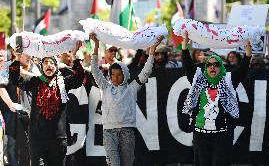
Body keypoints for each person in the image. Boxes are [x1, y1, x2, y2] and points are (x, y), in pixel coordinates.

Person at [90, 32, 162, 166]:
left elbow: (145, 72)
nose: (115, 78)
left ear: (126, 75)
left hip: (127, 132)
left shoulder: (132, 88)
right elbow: (94, 70)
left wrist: (151, 53)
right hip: (109, 133)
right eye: (112, 75)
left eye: (119, 75)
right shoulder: (105, 87)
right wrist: (96, 47)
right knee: (114, 164)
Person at [8, 42, 84, 166]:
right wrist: (17, 57)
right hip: (37, 138)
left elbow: (79, 78)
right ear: (41, 66)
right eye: (45, 62)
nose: (49, 65)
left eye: (52, 62)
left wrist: (74, 55)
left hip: (58, 139)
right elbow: (15, 79)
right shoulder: (35, 82)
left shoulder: (63, 83)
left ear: (56, 67)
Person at [181, 33, 252, 166]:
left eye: (216, 64)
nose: (212, 67)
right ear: (206, 68)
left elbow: (242, 70)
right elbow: (188, 66)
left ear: (221, 67)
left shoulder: (228, 81)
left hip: (222, 134)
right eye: (209, 65)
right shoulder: (199, 80)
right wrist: (184, 47)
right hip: (200, 133)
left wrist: (248, 55)